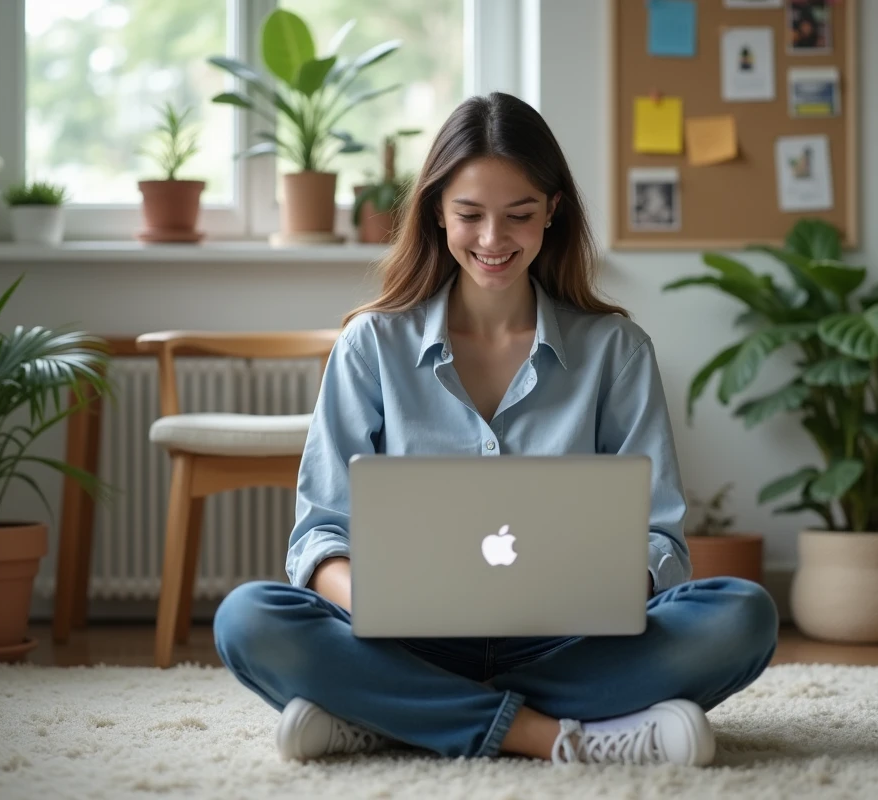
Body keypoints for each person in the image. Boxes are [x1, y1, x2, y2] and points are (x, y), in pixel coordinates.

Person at [213, 92, 778, 767]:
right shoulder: (372, 345)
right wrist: (375, 604)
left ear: (552, 212)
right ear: (435, 212)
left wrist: (604, 587)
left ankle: (388, 715)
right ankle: (554, 734)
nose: (492, 240)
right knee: (249, 618)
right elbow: (319, 536)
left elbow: (659, 540)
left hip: (569, 640)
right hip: (403, 638)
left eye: (518, 215)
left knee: (742, 615)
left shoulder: (615, 350)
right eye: (469, 215)